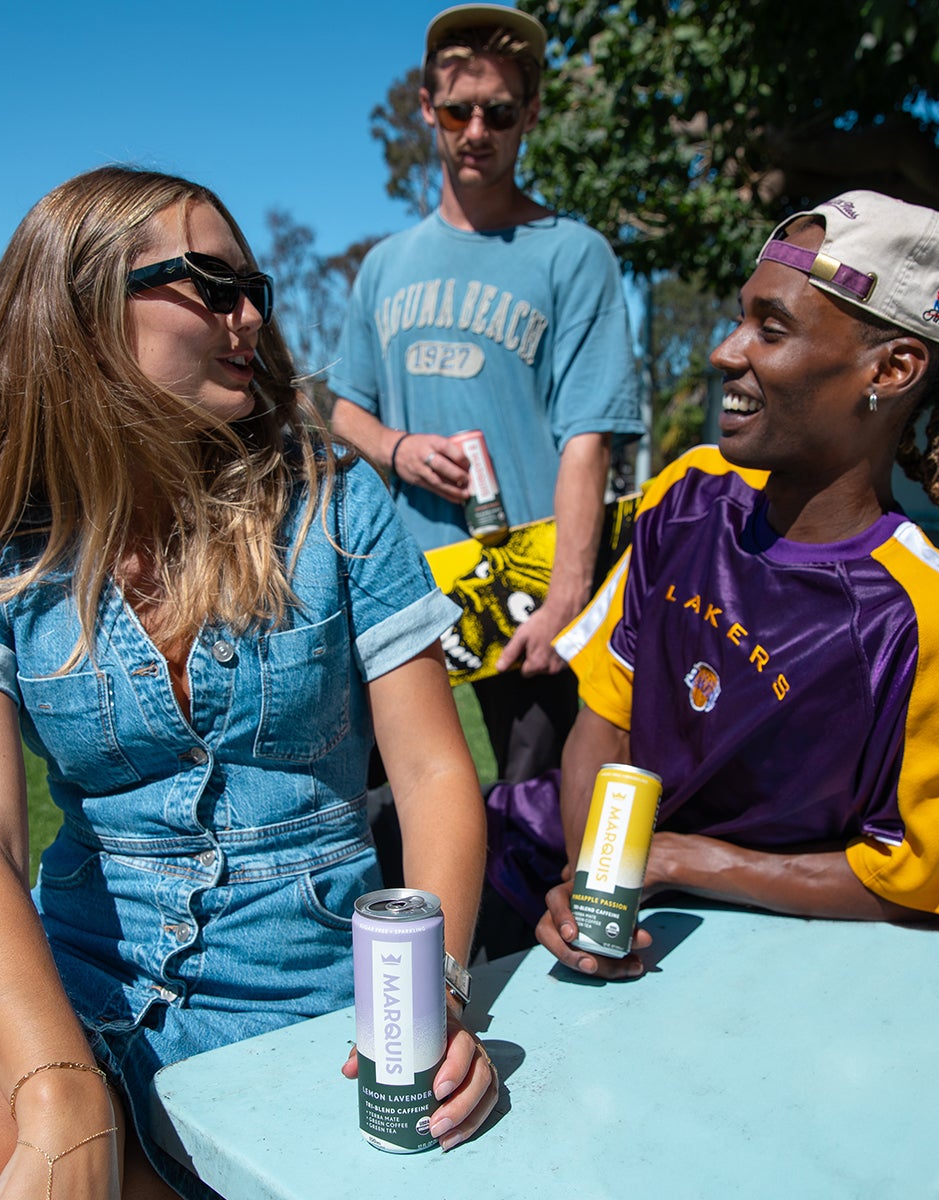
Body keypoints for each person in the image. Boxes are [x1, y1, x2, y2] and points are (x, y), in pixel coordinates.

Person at [0, 166, 495, 1200]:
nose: (252, 313)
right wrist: (59, 1089)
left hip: (311, 989)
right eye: (211, 286)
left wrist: (430, 994)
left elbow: (438, 775)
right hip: (73, 975)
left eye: (252, 286)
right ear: (80, 310)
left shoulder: (334, 503)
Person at [520, 190, 939, 978]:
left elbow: (922, 878)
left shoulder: (932, 624)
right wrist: (596, 883)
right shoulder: (687, 493)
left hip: (744, 959)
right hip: (560, 856)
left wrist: (682, 862)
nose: (725, 352)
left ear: (889, 369)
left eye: (771, 329)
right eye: (740, 317)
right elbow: (604, 722)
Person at [328, 3, 643, 786]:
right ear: (429, 110)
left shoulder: (574, 255)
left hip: (524, 581)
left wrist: (567, 594)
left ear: (529, 115)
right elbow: (342, 409)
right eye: (460, 110)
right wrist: (396, 449)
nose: (477, 130)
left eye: (499, 112)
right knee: (382, 808)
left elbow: (587, 438)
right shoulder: (384, 266)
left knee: (536, 809)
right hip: (400, 582)